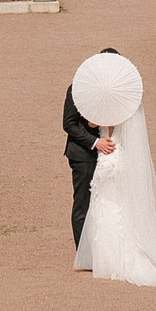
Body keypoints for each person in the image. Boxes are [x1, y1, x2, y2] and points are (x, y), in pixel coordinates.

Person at [68, 51, 156, 287]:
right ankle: (97, 254)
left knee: (106, 204)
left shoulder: (116, 98)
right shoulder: (104, 93)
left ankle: (106, 257)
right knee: (100, 204)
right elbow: (75, 123)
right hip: (102, 153)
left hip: (109, 154)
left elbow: (101, 124)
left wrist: (98, 129)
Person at [61, 50, 117, 247]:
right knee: (83, 203)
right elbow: (69, 124)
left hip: (110, 155)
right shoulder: (77, 88)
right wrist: (94, 141)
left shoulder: (117, 91)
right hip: (84, 155)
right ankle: (83, 252)